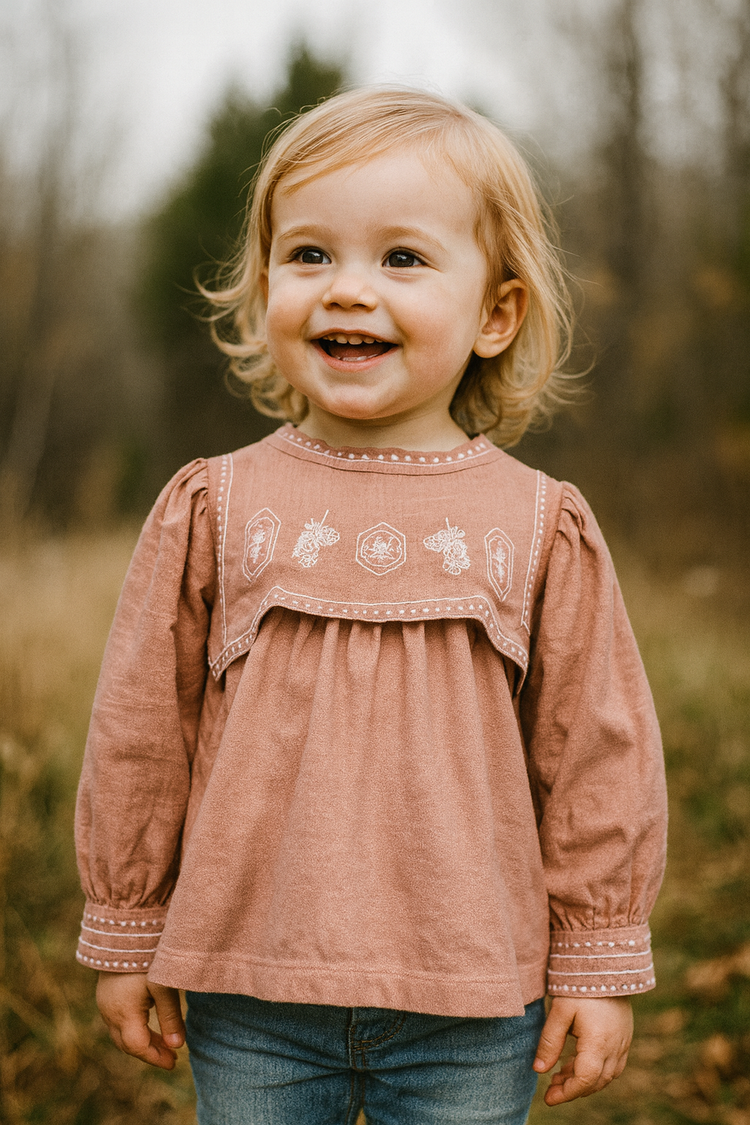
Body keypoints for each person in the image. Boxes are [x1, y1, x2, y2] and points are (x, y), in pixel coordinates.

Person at [75, 87, 667, 1125]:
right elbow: (139, 733)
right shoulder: (214, 507)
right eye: (309, 256)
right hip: (248, 989)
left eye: (402, 259)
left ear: (496, 312)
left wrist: (598, 959)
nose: (349, 290)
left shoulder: (539, 525)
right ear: (264, 289)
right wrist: (128, 925)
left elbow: (596, 755)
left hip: (475, 1001)